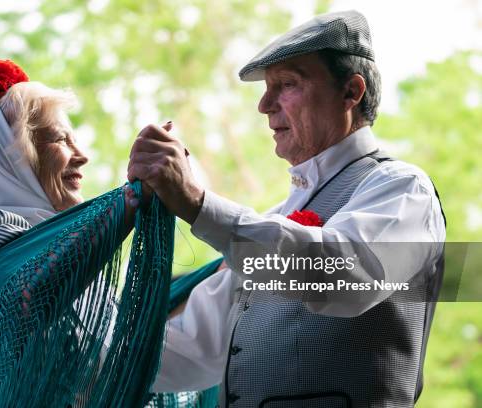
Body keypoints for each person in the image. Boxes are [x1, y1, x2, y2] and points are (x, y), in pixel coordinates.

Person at [129, 10, 446, 407]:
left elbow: (347, 275)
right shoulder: (269, 221)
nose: (264, 104)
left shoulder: (402, 188)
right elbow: (185, 348)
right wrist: (55, 320)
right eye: (267, 88)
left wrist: (198, 205)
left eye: (287, 84)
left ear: (351, 92)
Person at [0, 60, 172, 407]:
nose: (83, 156)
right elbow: (25, 295)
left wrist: (220, 267)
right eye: (60, 139)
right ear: (9, 161)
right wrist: (131, 200)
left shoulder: (67, 267)